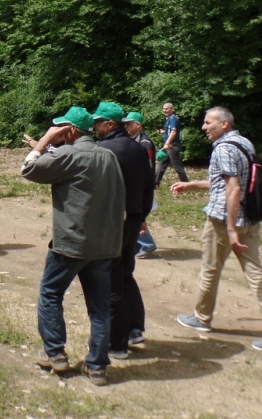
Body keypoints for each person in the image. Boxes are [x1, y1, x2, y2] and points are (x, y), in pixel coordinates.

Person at [21, 106, 125, 387]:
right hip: (105, 244)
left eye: (58, 128)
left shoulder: (69, 154)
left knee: (50, 294)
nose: (54, 132)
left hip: (71, 243)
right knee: (100, 307)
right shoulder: (108, 156)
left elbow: (28, 169)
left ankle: (55, 354)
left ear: (70, 131)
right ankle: (97, 367)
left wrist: (42, 142)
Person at [172, 106, 262, 352]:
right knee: (256, 273)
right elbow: (225, 182)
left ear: (223, 124)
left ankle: (202, 319)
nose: (203, 127)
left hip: (225, 223)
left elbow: (233, 188)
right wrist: (192, 184)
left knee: (210, 269)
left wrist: (231, 230)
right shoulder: (244, 143)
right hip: (251, 220)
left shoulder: (224, 148)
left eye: (208, 123)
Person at [91, 102, 154, 357]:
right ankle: (136, 329)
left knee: (111, 277)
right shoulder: (138, 148)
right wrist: (142, 216)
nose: (94, 126)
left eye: (97, 122)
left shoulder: (104, 149)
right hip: (134, 218)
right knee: (126, 273)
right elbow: (149, 184)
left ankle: (117, 343)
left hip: (114, 221)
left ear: (109, 125)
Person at [123, 111, 159, 257]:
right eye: (125, 123)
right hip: (135, 185)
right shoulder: (133, 140)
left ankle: (146, 244)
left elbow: (148, 167)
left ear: (138, 125)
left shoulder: (145, 143)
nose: (126, 126)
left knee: (136, 214)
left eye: (129, 123)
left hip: (141, 186)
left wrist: (142, 187)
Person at [155, 102, 189, 187]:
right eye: (163, 109)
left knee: (177, 165)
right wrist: (163, 132)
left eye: (166, 108)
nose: (164, 110)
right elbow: (170, 132)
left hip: (172, 145)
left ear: (171, 109)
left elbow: (174, 132)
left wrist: (167, 143)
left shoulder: (173, 119)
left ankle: (186, 184)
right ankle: (155, 183)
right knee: (162, 164)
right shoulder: (169, 119)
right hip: (168, 145)